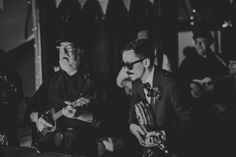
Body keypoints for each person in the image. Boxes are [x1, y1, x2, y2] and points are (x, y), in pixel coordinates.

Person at [27, 39, 101, 156]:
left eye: (69, 49)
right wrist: (39, 118)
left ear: (80, 52)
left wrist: (80, 114)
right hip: (48, 147)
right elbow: (29, 111)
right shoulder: (51, 79)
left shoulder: (94, 82)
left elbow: (105, 120)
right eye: (61, 49)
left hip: (80, 149)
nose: (64, 53)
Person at [121, 39, 191, 157]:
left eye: (128, 65)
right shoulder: (136, 83)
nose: (125, 70)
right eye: (124, 64)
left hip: (174, 149)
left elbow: (189, 122)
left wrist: (163, 134)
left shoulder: (171, 84)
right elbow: (132, 115)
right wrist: (133, 127)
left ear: (146, 62)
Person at [177, 23, 235, 157]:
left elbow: (227, 84)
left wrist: (216, 88)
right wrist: (190, 87)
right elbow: (179, 84)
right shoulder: (187, 62)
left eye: (202, 42)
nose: (198, 45)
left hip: (215, 114)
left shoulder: (219, 61)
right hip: (196, 111)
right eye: (196, 42)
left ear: (209, 43)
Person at [0, 49, 24, 146]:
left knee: (12, 145)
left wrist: (11, 98)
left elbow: (20, 95)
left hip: (11, 116)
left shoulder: (14, 76)